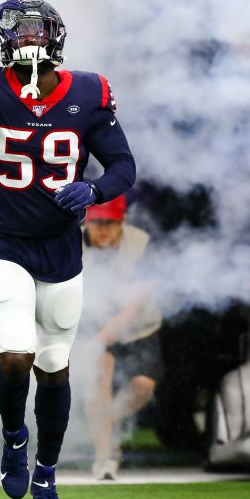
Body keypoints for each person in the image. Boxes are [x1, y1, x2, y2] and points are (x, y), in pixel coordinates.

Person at [0, 0, 138, 499]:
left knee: (54, 366)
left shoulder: (89, 92)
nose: (28, 39)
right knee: (16, 355)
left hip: (60, 250)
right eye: (17, 30)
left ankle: (47, 478)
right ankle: (13, 438)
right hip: (2, 242)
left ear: (56, 39)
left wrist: (94, 190)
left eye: (36, 30)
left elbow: (123, 167)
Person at [79, 195, 162, 481]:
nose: (102, 229)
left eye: (110, 223)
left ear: (122, 221)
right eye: (96, 222)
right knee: (99, 373)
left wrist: (101, 338)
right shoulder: (71, 244)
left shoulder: (141, 244)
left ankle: (107, 425)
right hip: (91, 325)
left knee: (142, 387)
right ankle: (105, 457)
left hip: (139, 328)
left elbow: (134, 306)